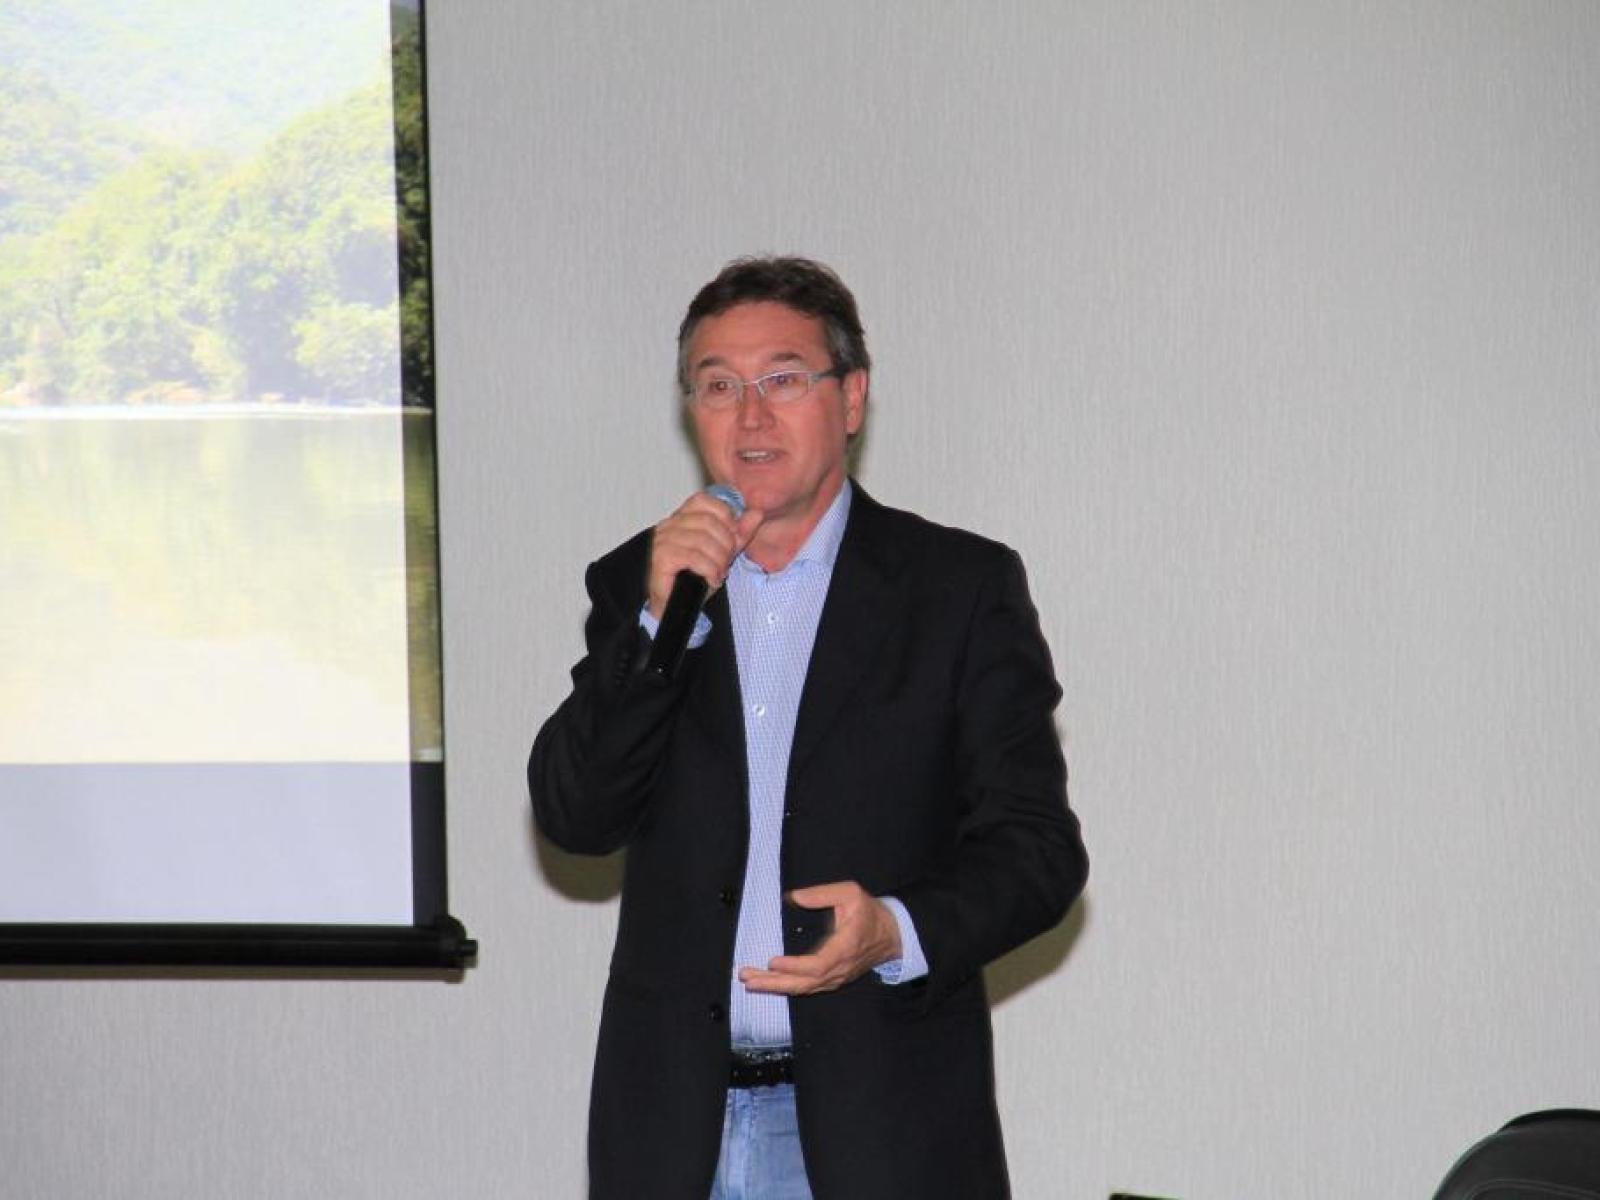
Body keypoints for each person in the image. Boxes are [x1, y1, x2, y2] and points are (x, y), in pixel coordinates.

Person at [529, 256, 1088, 1200]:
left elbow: (1037, 852)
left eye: (783, 379)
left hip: (881, 1134)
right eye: (718, 386)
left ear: (852, 397)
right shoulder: (643, 582)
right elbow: (577, 816)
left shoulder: (956, 590)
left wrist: (895, 931)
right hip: (674, 1134)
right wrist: (660, 624)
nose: (750, 416)